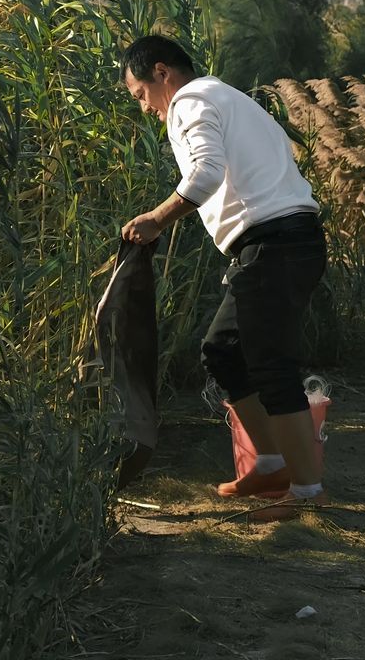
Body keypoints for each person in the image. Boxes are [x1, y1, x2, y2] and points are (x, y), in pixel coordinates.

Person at [120, 35, 327, 521]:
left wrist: (157, 218)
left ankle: (307, 492)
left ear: (162, 72)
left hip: (274, 243)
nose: (146, 108)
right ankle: (273, 465)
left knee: (270, 365)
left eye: (140, 94)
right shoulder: (231, 98)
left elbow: (206, 172)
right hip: (284, 241)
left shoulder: (189, 101)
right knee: (224, 351)